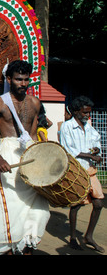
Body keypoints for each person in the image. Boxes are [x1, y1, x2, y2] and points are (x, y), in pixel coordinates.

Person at [0, 60, 50, 255]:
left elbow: (32, 134)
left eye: (26, 80)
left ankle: (27, 246)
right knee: (10, 212)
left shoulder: (35, 103)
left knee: (38, 211)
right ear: (9, 79)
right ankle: (8, 249)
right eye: (19, 79)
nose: (23, 83)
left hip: (29, 158)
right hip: (7, 157)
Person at [59, 96, 104, 253]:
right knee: (76, 205)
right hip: (75, 171)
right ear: (76, 111)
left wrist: (96, 150)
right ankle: (72, 238)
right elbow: (69, 150)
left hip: (90, 171)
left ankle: (88, 236)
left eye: (89, 113)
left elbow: (96, 142)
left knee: (98, 203)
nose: (87, 115)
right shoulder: (67, 127)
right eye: (85, 112)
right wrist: (91, 156)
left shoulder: (89, 127)